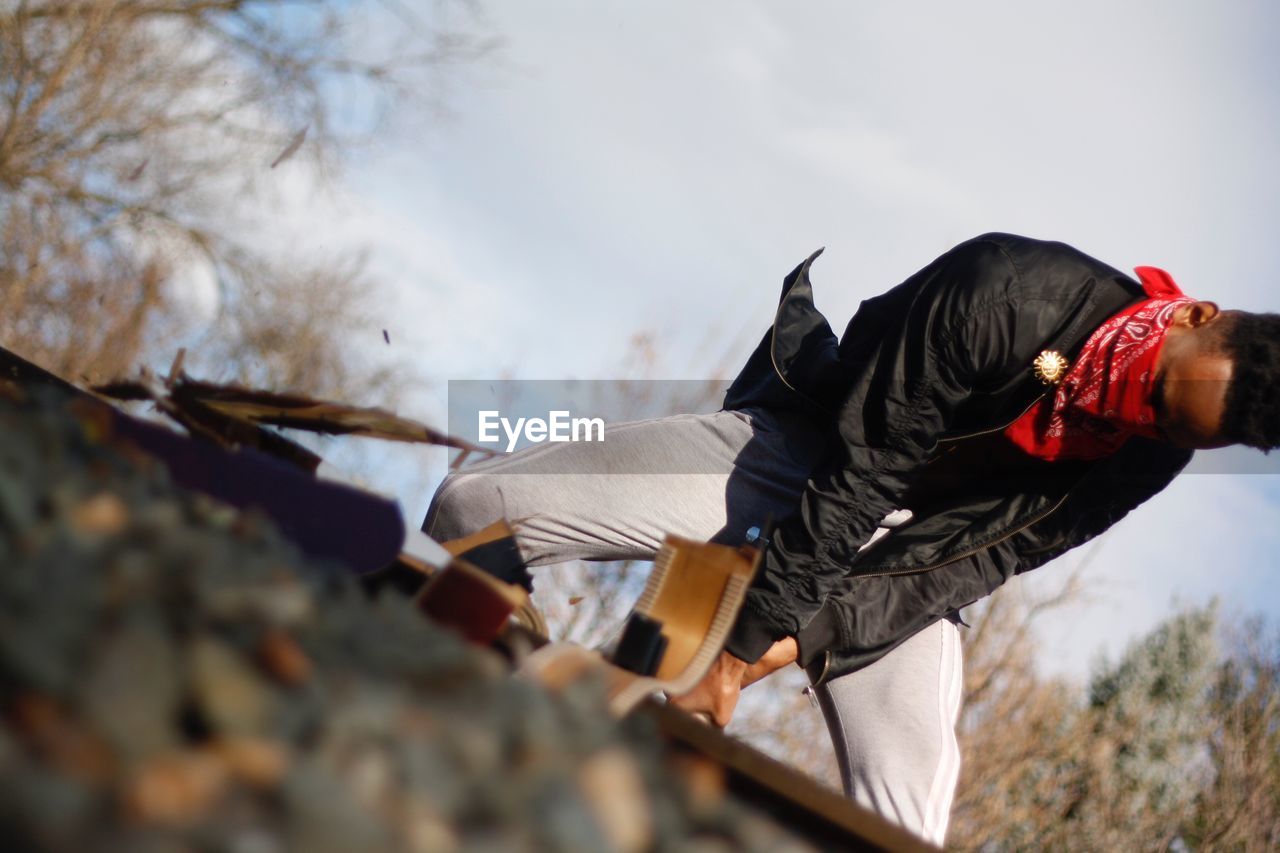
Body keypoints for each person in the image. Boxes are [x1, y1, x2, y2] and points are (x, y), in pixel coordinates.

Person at [423, 232, 1280, 845]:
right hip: (809, 457)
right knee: (473, 504)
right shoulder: (1008, 287)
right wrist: (716, 656)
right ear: (1194, 315)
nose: (1138, 420)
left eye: (1169, 429)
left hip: (908, 567)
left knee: (904, 821)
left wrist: (742, 658)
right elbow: (857, 480)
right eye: (1159, 396)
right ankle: (500, 722)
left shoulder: (1152, 455)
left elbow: (983, 553)